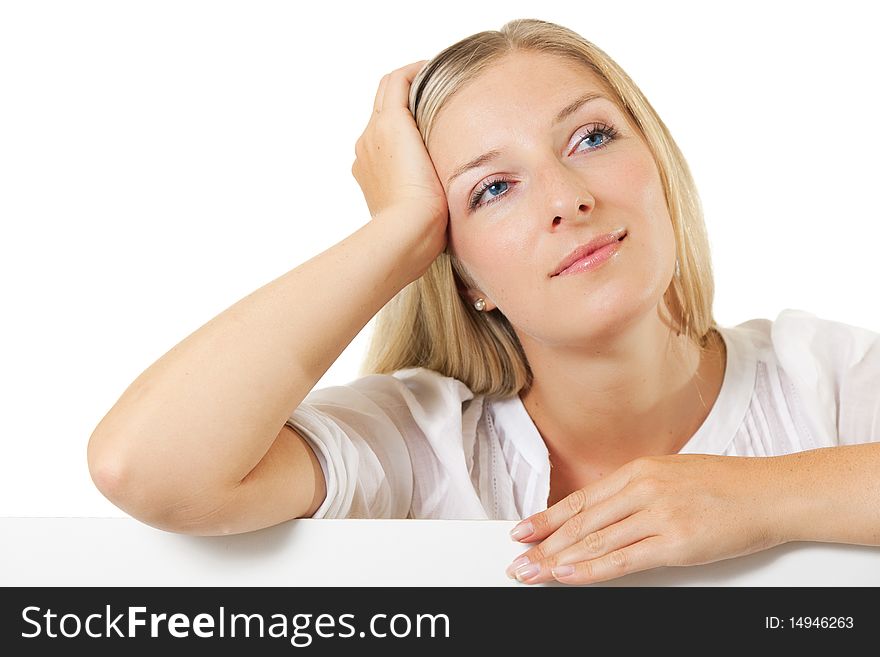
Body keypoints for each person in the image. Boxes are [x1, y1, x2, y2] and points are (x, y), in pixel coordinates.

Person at [87, 18, 880, 586]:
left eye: (592, 138)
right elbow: (146, 468)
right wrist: (397, 232)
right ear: (460, 271)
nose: (567, 199)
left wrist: (760, 497)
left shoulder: (826, 376)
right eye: (493, 188)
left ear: (658, 164)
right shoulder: (421, 445)